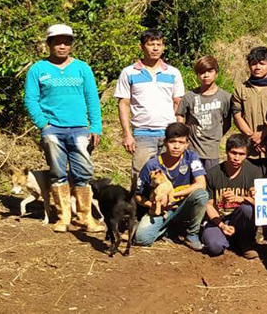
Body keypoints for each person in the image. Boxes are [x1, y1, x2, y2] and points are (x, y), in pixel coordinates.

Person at [23, 24, 104, 233]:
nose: (62, 46)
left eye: (66, 42)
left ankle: (85, 217)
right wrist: (43, 124)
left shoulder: (82, 68)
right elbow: (30, 99)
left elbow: (92, 99)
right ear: (48, 44)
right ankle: (63, 217)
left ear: (71, 44)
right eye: (57, 42)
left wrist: (95, 126)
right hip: (53, 130)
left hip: (79, 129)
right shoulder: (38, 70)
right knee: (58, 173)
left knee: (83, 173)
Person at [115, 29, 186, 188]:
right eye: (151, 44)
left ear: (163, 47)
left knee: (168, 177)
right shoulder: (129, 72)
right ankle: (138, 210)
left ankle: (165, 211)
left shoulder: (173, 73)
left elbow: (178, 104)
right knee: (140, 177)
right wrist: (127, 134)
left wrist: (179, 132)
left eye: (159, 44)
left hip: (169, 134)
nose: (155, 48)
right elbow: (124, 104)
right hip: (142, 134)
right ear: (142, 47)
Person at [133, 122, 209, 250]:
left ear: (187, 144)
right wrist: (152, 205)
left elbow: (201, 183)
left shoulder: (191, 158)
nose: (176, 146)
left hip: (183, 206)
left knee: (201, 194)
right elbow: (138, 196)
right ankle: (169, 229)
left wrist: (172, 195)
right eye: (172, 142)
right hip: (162, 210)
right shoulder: (152, 165)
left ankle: (192, 234)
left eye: (181, 142)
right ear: (165, 142)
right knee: (142, 239)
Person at [201, 134, 261, 258]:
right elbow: (208, 205)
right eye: (233, 153)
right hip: (219, 219)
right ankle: (227, 240)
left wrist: (242, 199)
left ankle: (245, 241)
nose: (236, 158)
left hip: (241, 220)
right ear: (227, 152)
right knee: (214, 248)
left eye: (241, 154)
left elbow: (261, 203)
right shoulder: (213, 173)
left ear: (247, 155)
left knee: (247, 208)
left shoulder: (254, 172)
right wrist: (221, 225)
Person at [231, 46, 267, 174]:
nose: (257, 67)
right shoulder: (241, 89)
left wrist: (262, 134)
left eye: (262, 63)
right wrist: (252, 136)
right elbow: (237, 116)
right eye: (253, 64)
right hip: (250, 150)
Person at [176, 55, 232, 170]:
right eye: (202, 72)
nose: (206, 75)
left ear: (216, 73)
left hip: (212, 149)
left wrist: (217, 136)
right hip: (192, 148)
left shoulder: (225, 97)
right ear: (197, 75)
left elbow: (227, 122)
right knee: (192, 180)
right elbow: (180, 115)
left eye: (210, 71)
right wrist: (183, 137)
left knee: (211, 179)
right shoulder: (189, 96)